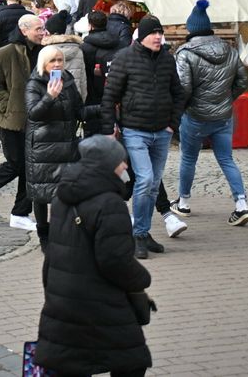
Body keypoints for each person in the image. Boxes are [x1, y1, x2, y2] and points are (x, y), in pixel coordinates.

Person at [35, 136, 153, 377]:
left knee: (71, 361)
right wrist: (142, 279)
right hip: (100, 301)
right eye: (121, 162)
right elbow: (115, 261)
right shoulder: (110, 204)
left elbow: (55, 247)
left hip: (64, 298)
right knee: (130, 360)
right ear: (107, 165)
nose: (126, 167)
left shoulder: (61, 197)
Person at [100, 15, 184, 259]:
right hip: (135, 130)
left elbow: (178, 94)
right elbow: (109, 96)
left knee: (153, 184)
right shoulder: (124, 58)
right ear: (142, 36)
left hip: (162, 132)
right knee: (145, 179)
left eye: (160, 33)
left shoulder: (167, 60)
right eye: (153, 33)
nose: (158, 37)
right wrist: (109, 129)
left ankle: (144, 232)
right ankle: (137, 235)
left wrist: (172, 124)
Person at [172, 0, 248, 227]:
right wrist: (226, 100)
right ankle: (241, 204)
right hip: (223, 115)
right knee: (226, 159)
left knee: (189, 157)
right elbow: (242, 82)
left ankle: (184, 202)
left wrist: (181, 109)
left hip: (195, 116)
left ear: (191, 29)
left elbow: (184, 88)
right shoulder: (229, 50)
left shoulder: (185, 53)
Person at [0, 14, 47, 231]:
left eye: (43, 28)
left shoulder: (43, 53)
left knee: (31, 167)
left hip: (37, 118)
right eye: (38, 28)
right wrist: (9, 105)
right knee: (16, 163)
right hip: (11, 119)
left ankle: (20, 213)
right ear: (24, 30)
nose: (42, 32)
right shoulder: (4, 53)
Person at [25, 46, 88, 247]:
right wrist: (49, 97)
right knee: (41, 193)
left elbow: (79, 111)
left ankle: (64, 232)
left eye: (60, 60)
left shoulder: (67, 80)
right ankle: (43, 235)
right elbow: (33, 113)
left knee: (66, 191)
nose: (58, 64)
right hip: (43, 147)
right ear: (44, 63)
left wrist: (104, 109)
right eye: (53, 61)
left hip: (66, 145)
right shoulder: (35, 83)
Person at [81, 10, 121, 136]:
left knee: (94, 132)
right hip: (115, 92)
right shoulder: (119, 44)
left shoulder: (85, 47)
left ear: (90, 25)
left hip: (93, 95)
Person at [43, 10, 88, 102]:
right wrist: (82, 100)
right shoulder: (78, 50)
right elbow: (83, 79)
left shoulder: (46, 51)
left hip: (53, 99)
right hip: (75, 98)